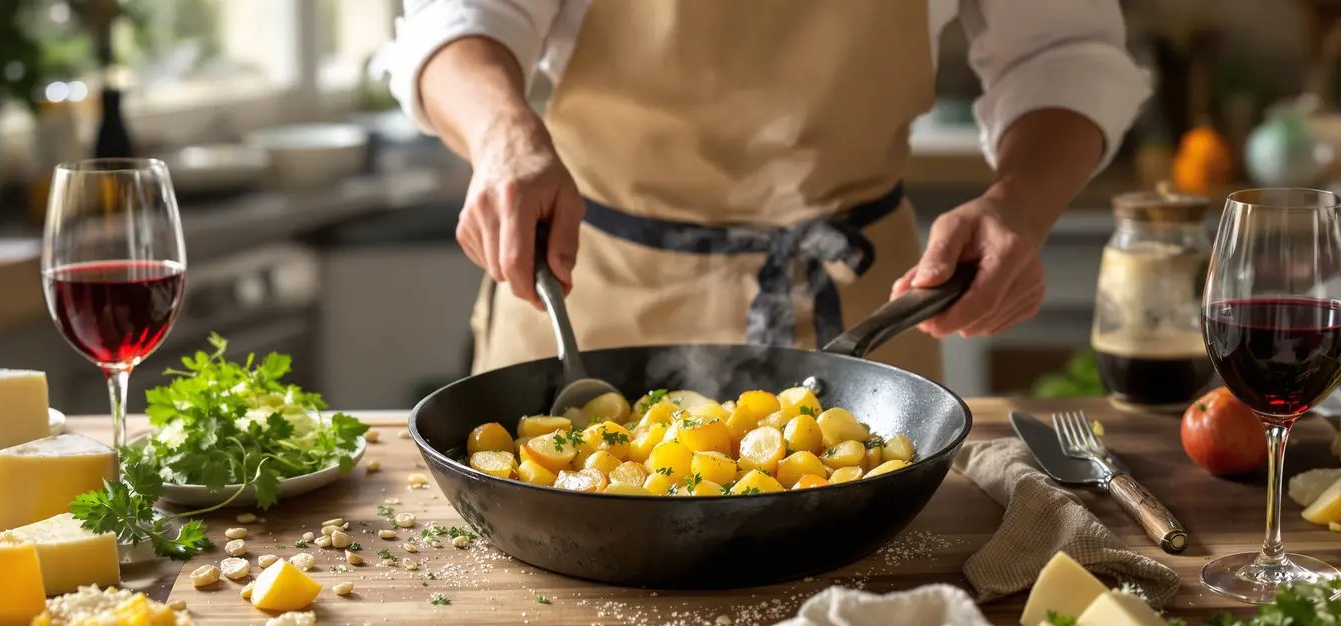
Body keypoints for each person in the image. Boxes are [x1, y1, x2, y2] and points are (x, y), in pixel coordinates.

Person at [382, 0, 1150, 378]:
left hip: (863, 319)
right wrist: (503, 138)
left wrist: (1018, 202)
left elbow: (1063, 53)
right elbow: (457, 18)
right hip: (588, 307)